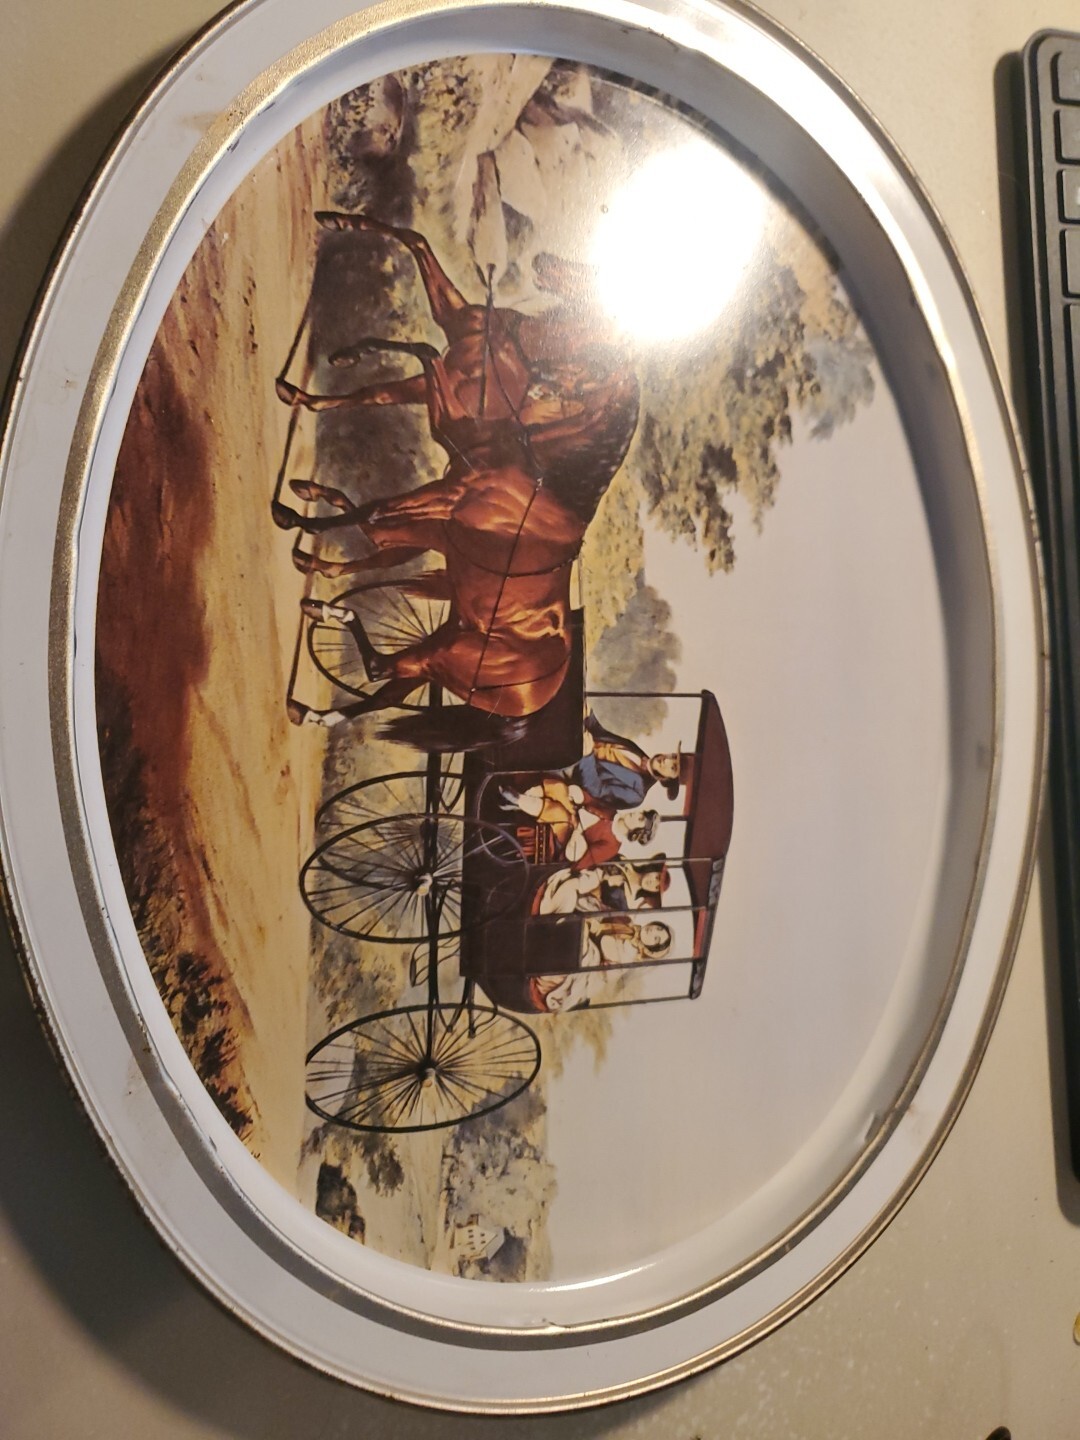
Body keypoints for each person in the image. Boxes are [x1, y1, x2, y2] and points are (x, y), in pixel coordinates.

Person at [501, 779, 658, 868]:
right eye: (640, 813)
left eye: (639, 819)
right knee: (561, 789)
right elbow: (590, 800)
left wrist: (578, 831)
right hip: (573, 812)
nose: (636, 814)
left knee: (559, 813)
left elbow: (584, 861)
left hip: (566, 840)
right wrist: (579, 795)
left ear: (636, 833)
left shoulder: (612, 845)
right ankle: (522, 799)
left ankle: (518, 800)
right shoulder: (612, 811)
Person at [570, 713, 690, 809]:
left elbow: (597, 790)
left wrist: (587, 757)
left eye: (673, 767)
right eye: (673, 756)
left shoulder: (636, 795)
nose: (667, 760)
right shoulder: (639, 752)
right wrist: (589, 714)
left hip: (572, 767)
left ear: (667, 780)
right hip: (576, 738)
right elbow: (601, 733)